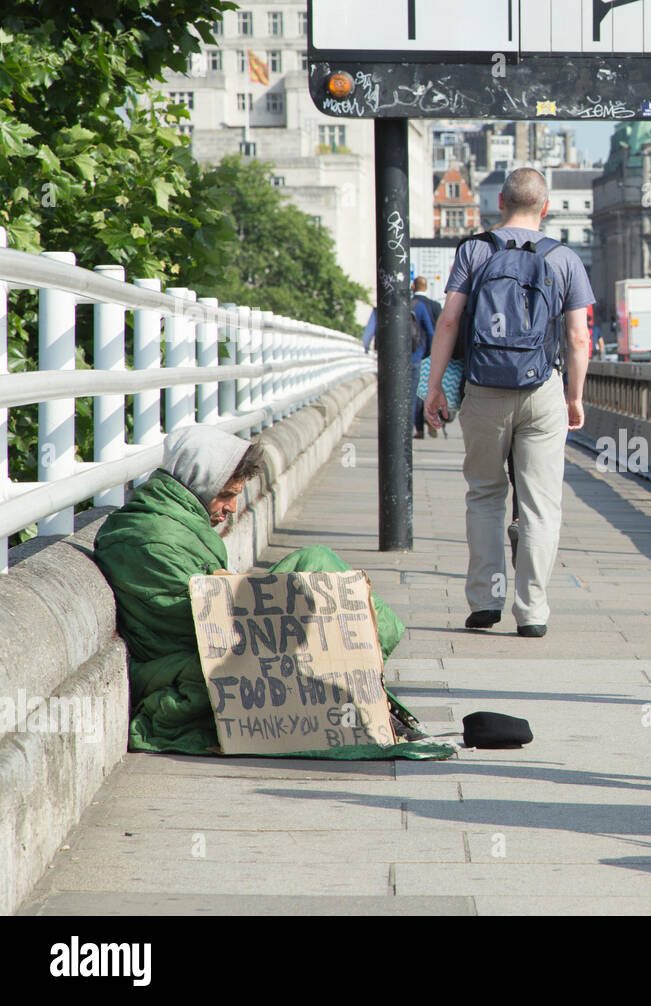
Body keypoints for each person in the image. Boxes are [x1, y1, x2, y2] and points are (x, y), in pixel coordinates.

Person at [93, 425, 444, 758]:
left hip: (204, 646)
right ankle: (360, 682)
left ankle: (360, 680)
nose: (231, 509)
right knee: (315, 568)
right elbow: (197, 621)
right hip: (182, 667)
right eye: (226, 496)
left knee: (314, 567)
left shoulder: (169, 523)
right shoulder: (152, 539)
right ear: (199, 483)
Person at [423, 168, 594, 637]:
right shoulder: (563, 258)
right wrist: (574, 396)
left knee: (484, 494)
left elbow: (449, 322)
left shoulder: (474, 250)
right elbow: (579, 337)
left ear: (499, 201)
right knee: (540, 504)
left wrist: (435, 386)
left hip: (483, 390)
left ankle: (484, 600)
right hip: (542, 391)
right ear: (546, 206)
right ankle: (532, 610)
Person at [411, 277, 440, 439]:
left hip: (411, 355)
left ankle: (418, 429)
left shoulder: (409, 304)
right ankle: (431, 419)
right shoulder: (434, 306)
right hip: (428, 355)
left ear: (413, 286)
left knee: (413, 393)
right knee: (428, 391)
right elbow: (433, 331)